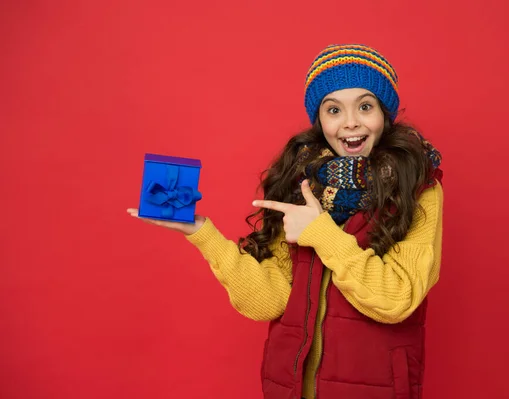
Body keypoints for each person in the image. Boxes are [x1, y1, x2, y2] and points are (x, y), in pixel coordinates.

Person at [127, 43, 444, 399]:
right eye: (334, 109)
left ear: (385, 114)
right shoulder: (299, 180)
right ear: (319, 119)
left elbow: (398, 298)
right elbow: (272, 300)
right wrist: (204, 234)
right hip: (293, 387)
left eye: (365, 106)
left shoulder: (417, 186)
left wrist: (320, 232)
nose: (351, 121)